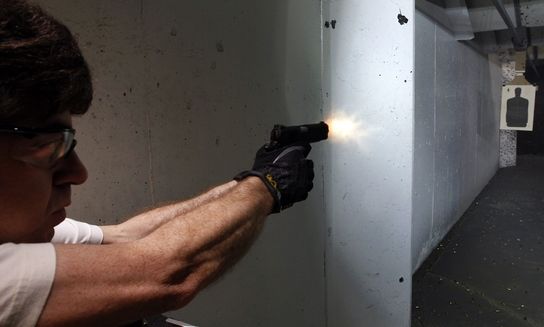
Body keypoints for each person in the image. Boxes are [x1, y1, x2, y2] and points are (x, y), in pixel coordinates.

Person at [0, 1, 316, 326]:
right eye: (47, 147)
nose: (77, 172)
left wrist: (247, 182)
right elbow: (164, 270)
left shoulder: (26, 231)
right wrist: (266, 187)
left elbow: (127, 236)